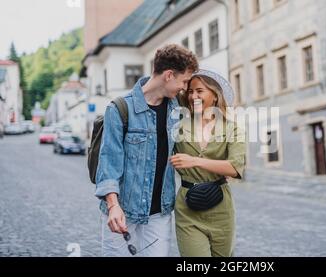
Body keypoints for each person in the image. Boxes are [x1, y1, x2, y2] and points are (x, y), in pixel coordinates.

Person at [95, 44, 199, 257]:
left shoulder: (177, 108)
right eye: (184, 81)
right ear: (169, 75)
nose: (185, 87)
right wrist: (113, 206)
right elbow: (109, 163)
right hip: (123, 211)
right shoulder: (120, 109)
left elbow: (209, 93)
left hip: (159, 213)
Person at [169, 69, 246, 257]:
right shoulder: (178, 126)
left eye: (199, 91)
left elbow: (235, 168)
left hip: (221, 207)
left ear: (214, 95)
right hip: (188, 208)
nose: (193, 96)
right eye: (190, 92)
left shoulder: (231, 127)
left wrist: (194, 161)